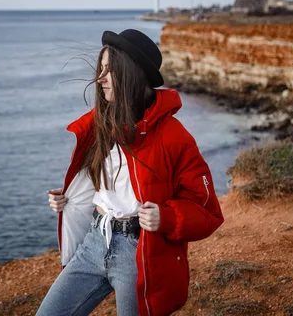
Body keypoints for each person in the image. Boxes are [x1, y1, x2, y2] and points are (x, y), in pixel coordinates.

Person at [37, 29, 224, 316]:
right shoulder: (98, 125)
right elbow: (100, 182)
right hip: (94, 241)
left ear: (131, 75)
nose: (100, 79)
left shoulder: (174, 137)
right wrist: (70, 197)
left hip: (138, 252)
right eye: (100, 69)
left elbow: (208, 211)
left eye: (109, 71)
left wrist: (168, 216)